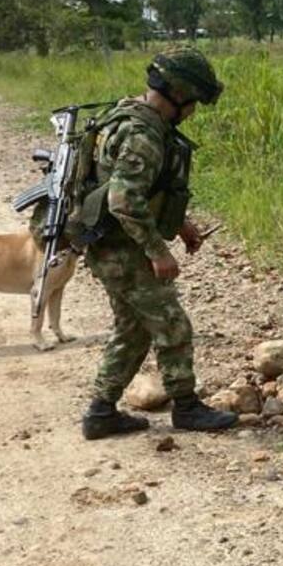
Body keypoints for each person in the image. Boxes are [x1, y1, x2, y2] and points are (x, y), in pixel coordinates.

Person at [79, 47, 239, 440]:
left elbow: (138, 191)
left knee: (133, 328)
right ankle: (186, 407)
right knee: (173, 324)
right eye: (194, 101)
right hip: (122, 248)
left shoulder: (128, 114)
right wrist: (157, 251)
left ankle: (101, 412)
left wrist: (180, 223)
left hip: (106, 243)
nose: (194, 111)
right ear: (180, 94)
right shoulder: (143, 135)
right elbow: (123, 200)